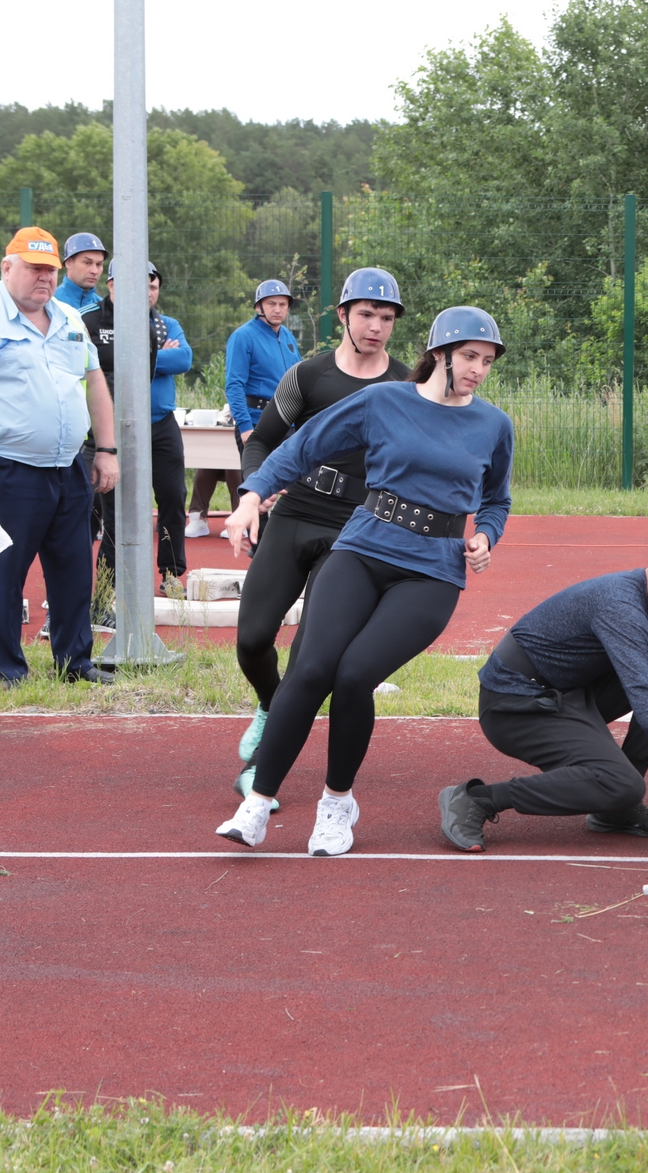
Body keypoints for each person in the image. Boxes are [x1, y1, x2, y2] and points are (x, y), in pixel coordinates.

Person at [216, 306, 513, 855]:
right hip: (362, 547)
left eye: (488, 361)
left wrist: (486, 536)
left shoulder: (493, 425)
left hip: (431, 570)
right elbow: (301, 448)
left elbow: (496, 498)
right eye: (470, 356)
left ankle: (336, 804)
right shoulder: (384, 401)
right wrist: (252, 497)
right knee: (310, 668)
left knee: (353, 676)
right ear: (440, 354)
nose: (479, 369)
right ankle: (257, 802)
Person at [437, 526, 648, 850]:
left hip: (568, 695)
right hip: (514, 705)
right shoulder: (620, 606)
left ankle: (617, 811)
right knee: (622, 783)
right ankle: (477, 798)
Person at [229, 267, 410, 800]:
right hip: (296, 512)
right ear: (342, 316)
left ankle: (261, 770)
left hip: (357, 532)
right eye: (365, 315)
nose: (376, 326)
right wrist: (253, 495)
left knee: (312, 658)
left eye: (386, 317)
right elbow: (261, 442)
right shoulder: (307, 376)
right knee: (252, 638)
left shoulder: (405, 385)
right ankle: (269, 702)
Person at [0, 227, 119, 685]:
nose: (43, 278)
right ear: (8, 268)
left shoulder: (67, 317)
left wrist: (106, 450)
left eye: (49, 270)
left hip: (69, 467)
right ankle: (11, 670)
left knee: (73, 571)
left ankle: (75, 662)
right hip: (6, 467)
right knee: (6, 571)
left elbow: (95, 382)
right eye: (32, 268)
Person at [84, 260, 192, 586]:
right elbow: (107, 364)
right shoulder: (92, 318)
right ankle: (92, 582)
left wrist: (143, 356)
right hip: (111, 429)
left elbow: (184, 359)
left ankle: (171, 572)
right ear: (112, 284)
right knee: (102, 507)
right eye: (137, 284)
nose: (146, 292)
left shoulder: (165, 325)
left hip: (159, 424)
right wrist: (153, 356)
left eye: (152, 286)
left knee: (173, 497)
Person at [190, 279, 302, 538]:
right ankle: (257, 545)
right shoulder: (243, 336)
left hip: (287, 420)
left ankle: (284, 541)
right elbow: (234, 385)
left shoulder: (287, 336)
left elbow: (298, 377)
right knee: (259, 487)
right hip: (257, 422)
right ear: (258, 306)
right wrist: (244, 427)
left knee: (293, 482)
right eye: (271, 304)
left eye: (283, 304)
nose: (278, 309)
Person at [54, 233, 106, 317]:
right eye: (87, 263)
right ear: (68, 263)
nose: (94, 271)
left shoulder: (105, 309)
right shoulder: (49, 302)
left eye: (99, 264)